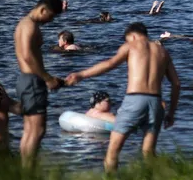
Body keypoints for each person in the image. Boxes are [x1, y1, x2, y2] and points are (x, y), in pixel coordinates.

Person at [66, 22, 181, 172]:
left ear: (132, 36)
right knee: (148, 153)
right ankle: (166, 178)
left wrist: (81, 75)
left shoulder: (131, 46)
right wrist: (171, 113)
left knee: (113, 151)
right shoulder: (162, 52)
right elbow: (176, 84)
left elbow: (109, 64)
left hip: (135, 100)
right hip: (156, 102)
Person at [13, 0, 67, 166]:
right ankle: (28, 171)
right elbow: (28, 56)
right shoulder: (30, 26)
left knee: (29, 130)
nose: (50, 22)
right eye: (50, 17)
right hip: (32, 81)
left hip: (25, 80)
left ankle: (25, 170)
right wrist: (47, 78)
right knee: (37, 130)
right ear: (43, 9)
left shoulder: (22, 23)